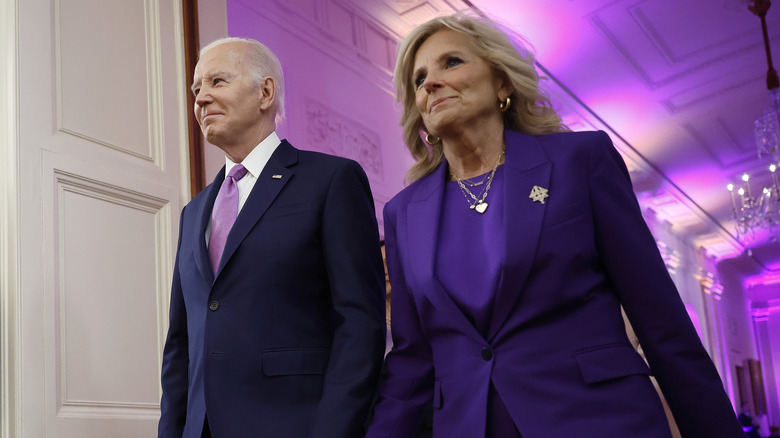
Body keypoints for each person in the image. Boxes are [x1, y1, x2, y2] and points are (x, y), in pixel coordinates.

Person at [364, 13, 745, 438]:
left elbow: (661, 320)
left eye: (451, 62)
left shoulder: (579, 161)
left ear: (502, 83)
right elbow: (412, 362)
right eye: (418, 79)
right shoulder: (404, 213)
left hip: (598, 420)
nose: (430, 82)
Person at [158, 37, 386, 438]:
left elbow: (360, 326)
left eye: (217, 82)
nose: (201, 98)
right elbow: (181, 345)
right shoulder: (193, 213)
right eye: (196, 89)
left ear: (265, 92)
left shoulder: (331, 181)